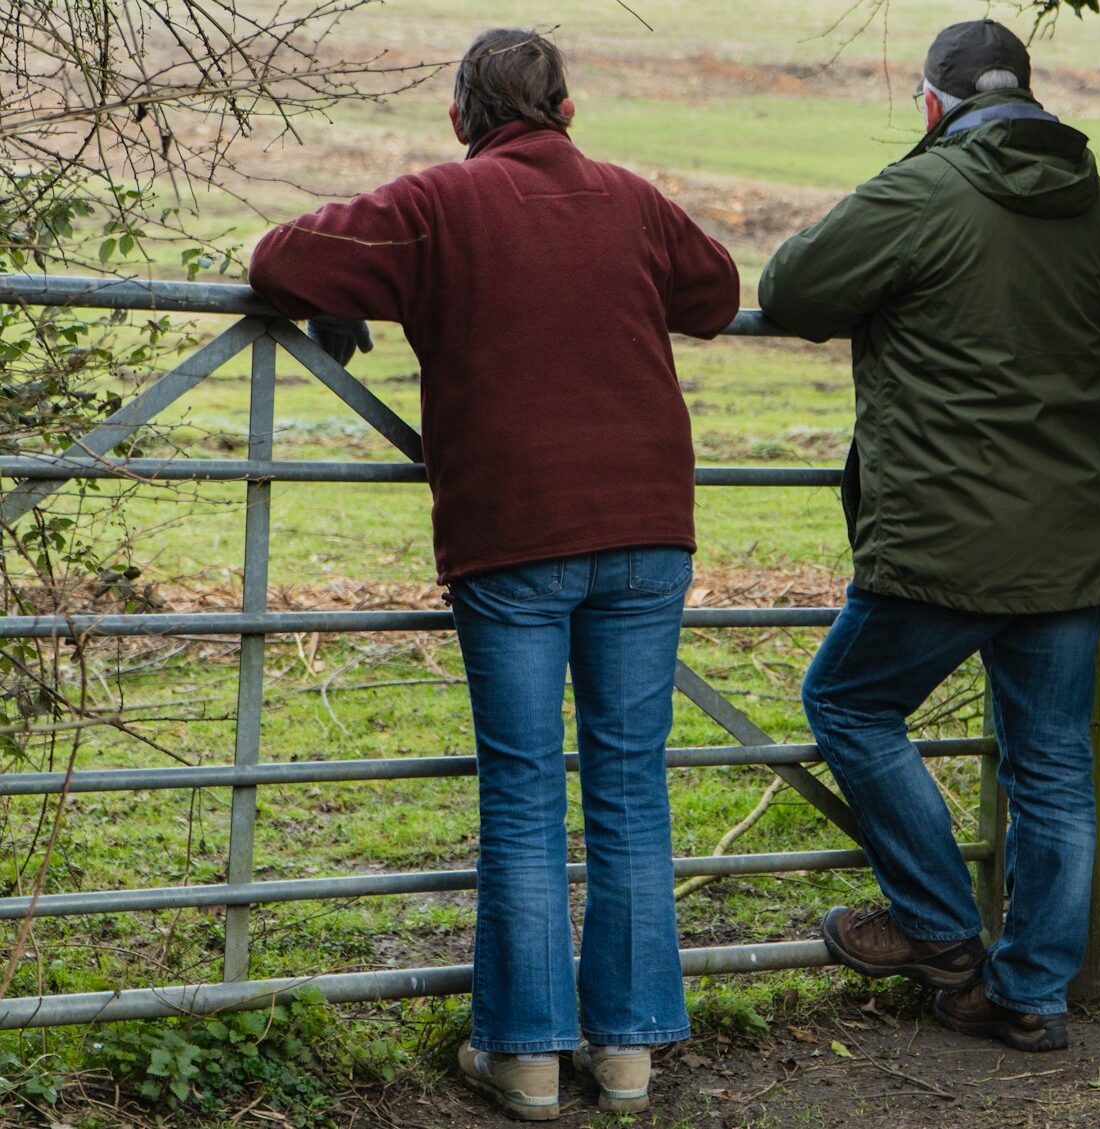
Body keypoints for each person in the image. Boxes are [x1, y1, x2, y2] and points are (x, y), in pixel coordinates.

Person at [249, 28, 740, 1119]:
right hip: (647, 526)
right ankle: (626, 1055)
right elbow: (712, 294)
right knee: (628, 784)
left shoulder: (434, 204)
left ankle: (523, 1056)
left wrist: (353, 295)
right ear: (565, 107)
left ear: (463, 117)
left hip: (513, 529)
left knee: (523, 792)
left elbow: (279, 257)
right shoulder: (630, 197)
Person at [758, 18, 1100, 1052]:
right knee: (1052, 764)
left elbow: (789, 291)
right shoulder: (1088, 200)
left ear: (933, 104)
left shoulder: (924, 187)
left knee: (846, 698)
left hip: (946, 530)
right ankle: (1029, 994)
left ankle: (933, 928)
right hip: (1071, 529)